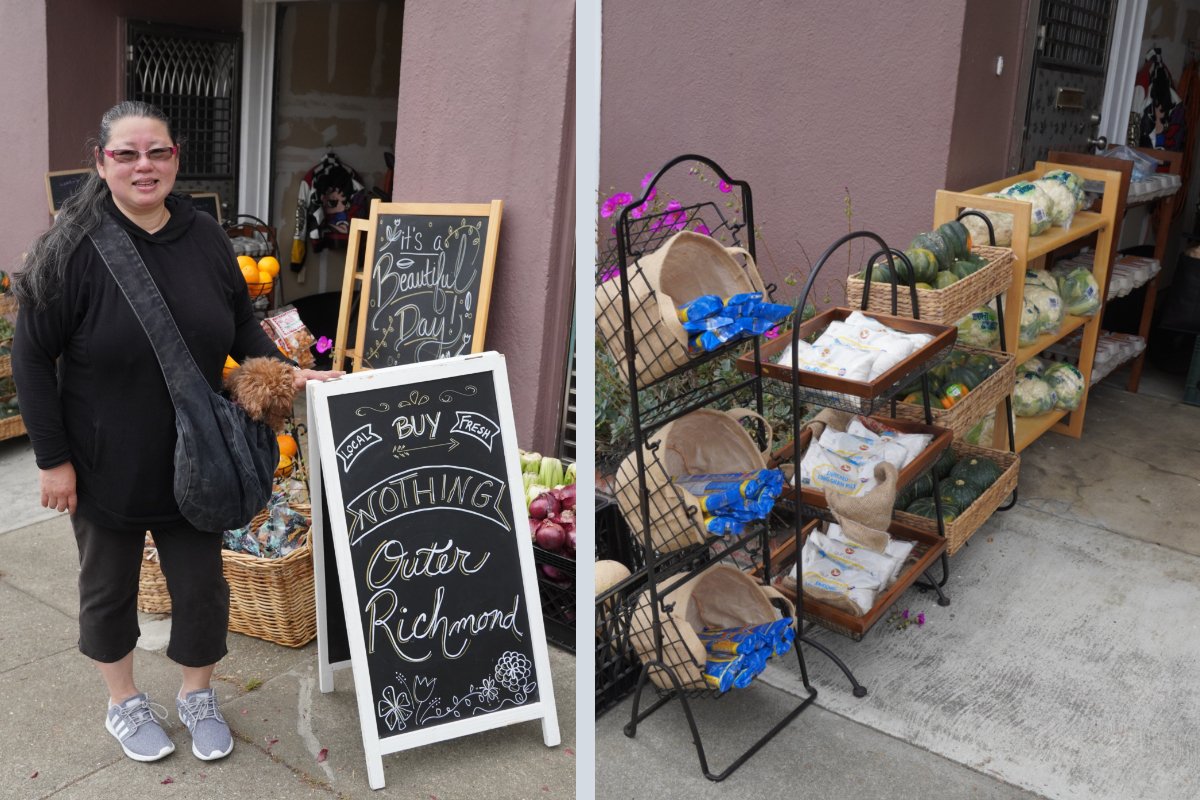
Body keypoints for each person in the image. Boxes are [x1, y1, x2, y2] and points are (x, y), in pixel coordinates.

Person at [11, 101, 342, 763]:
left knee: (201, 587)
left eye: (157, 152)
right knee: (108, 590)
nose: (144, 166)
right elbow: (29, 357)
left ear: (176, 160)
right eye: (127, 153)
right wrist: (53, 460)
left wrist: (292, 373)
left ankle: (197, 693)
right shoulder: (71, 249)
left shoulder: (204, 237)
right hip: (104, 458)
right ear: (102, 163)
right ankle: (124, 702)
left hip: (201, 454)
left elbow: (243, 329)